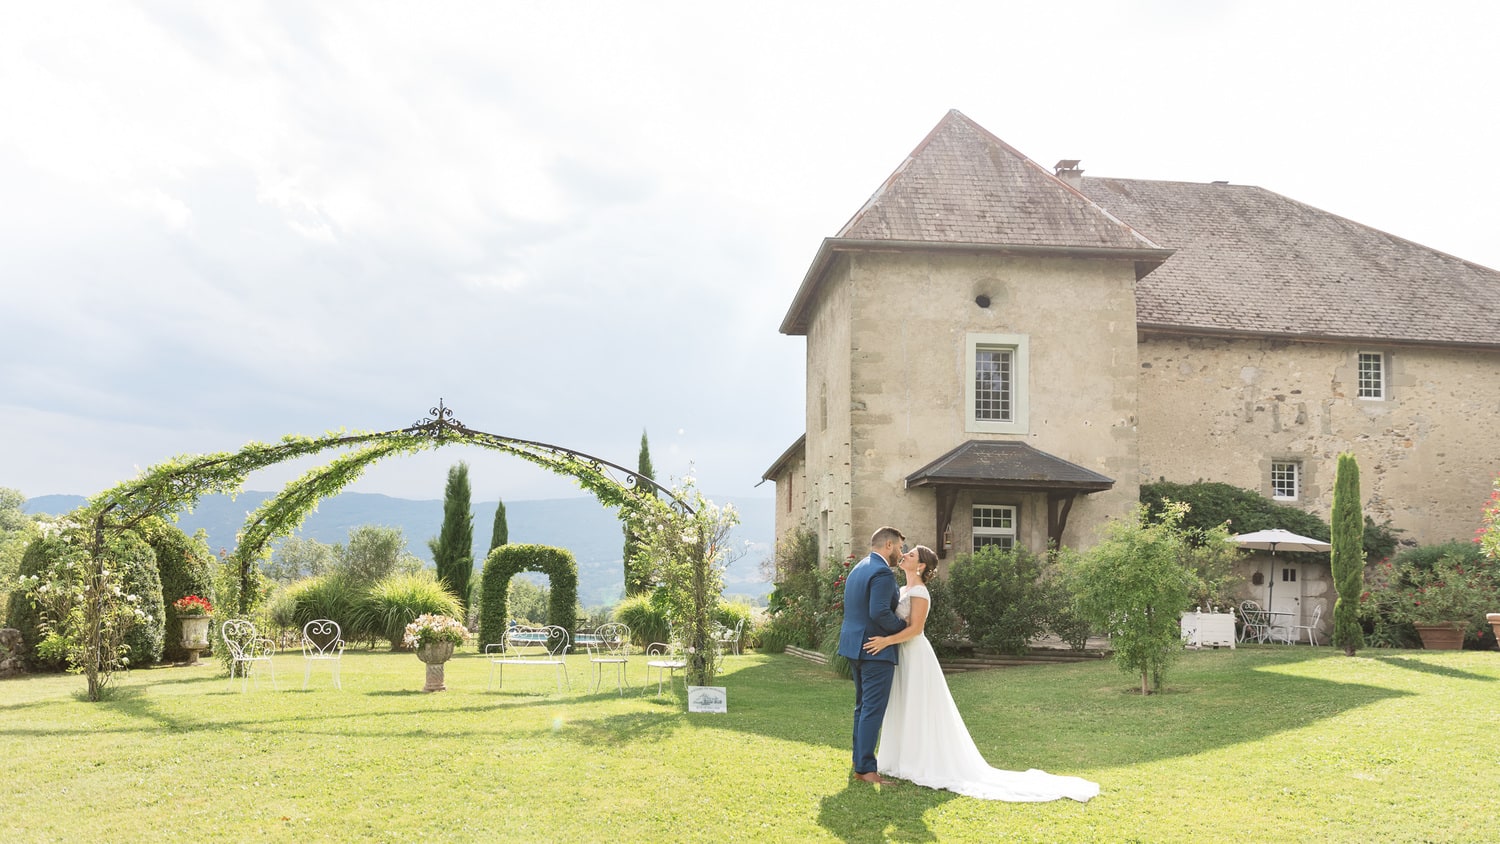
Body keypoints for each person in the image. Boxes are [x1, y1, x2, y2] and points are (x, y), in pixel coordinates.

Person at [863, 545, 1100, 802]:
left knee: (920, 706)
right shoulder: (902, 590)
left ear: (920, 566)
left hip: (915, 653)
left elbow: (915, 630)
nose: (905, 555)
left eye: (911, 555)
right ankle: (902, 759)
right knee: (903, 705)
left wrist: (886, 642)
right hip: (902, 654)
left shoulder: (920, 592)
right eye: (906, 553)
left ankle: (922, 762)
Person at [837, 526, 909, 785]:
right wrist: (905, 629)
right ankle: (866, 769)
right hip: (875, 650)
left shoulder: (859, 568)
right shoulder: (881, 572)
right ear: (888, 545)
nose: (901, 552)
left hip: (854, 646)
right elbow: (879, 612)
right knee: (872, 710)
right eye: (900, 547)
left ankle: (859, 761)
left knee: (862, 707)